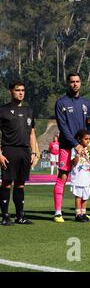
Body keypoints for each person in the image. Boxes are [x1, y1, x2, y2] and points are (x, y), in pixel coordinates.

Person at [53, 73, 90, 223]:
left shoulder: (86, 103)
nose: (75, 84)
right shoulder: (61, 103)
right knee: (63, 177)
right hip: (67, 146)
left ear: (81, 83)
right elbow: (62, 126)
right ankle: (58, 212)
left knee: (83, 178)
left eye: (77, 81)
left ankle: (82, 212)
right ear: (67, 83)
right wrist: (75, 144)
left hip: (82, 148)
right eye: (72, 82)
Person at [0, 82, 38, 226]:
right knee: (7, 183)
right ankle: (5, 216)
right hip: (9, 150)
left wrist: (34, 152)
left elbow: (32, 133)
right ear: (11, 91)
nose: (21, 93)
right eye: (17, 90)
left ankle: (20, 216)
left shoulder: (29, 110)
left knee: (21, 184)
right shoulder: (2, 110)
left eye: (23, 90)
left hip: (25, 151)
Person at [70, 129, 90, 222]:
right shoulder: (75, 148)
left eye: (89, 139)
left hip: (86, 176)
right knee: (78, 196)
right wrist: (78, 153)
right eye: (86, 139)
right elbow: (73, 162)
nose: (88, 141)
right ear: (79, 139)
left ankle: (83, 213)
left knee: (85, 196)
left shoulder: (88, 149)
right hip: (78, 176)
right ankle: (78, 214)